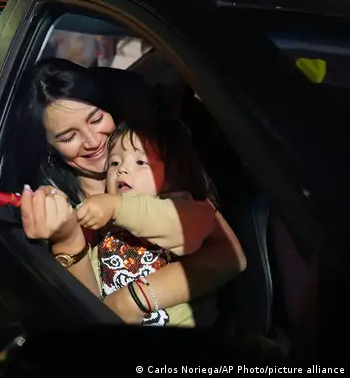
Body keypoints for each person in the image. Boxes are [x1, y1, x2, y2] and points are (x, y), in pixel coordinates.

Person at [14, 58, 246, 325]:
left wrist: (132, 299)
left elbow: (230, 256)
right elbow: (84, 313)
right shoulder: (53, 210)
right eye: (69, 137)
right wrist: (67, 240)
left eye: (96, 119)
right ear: (48, 147)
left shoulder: (155, 165)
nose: (92, 141)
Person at [75, 118, 217, 326]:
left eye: (141, 162)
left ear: (172, 175)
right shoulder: (105, 225)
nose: (122, 170)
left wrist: (118, 206)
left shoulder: (183, 206)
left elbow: (184, 226)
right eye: (114, 163)